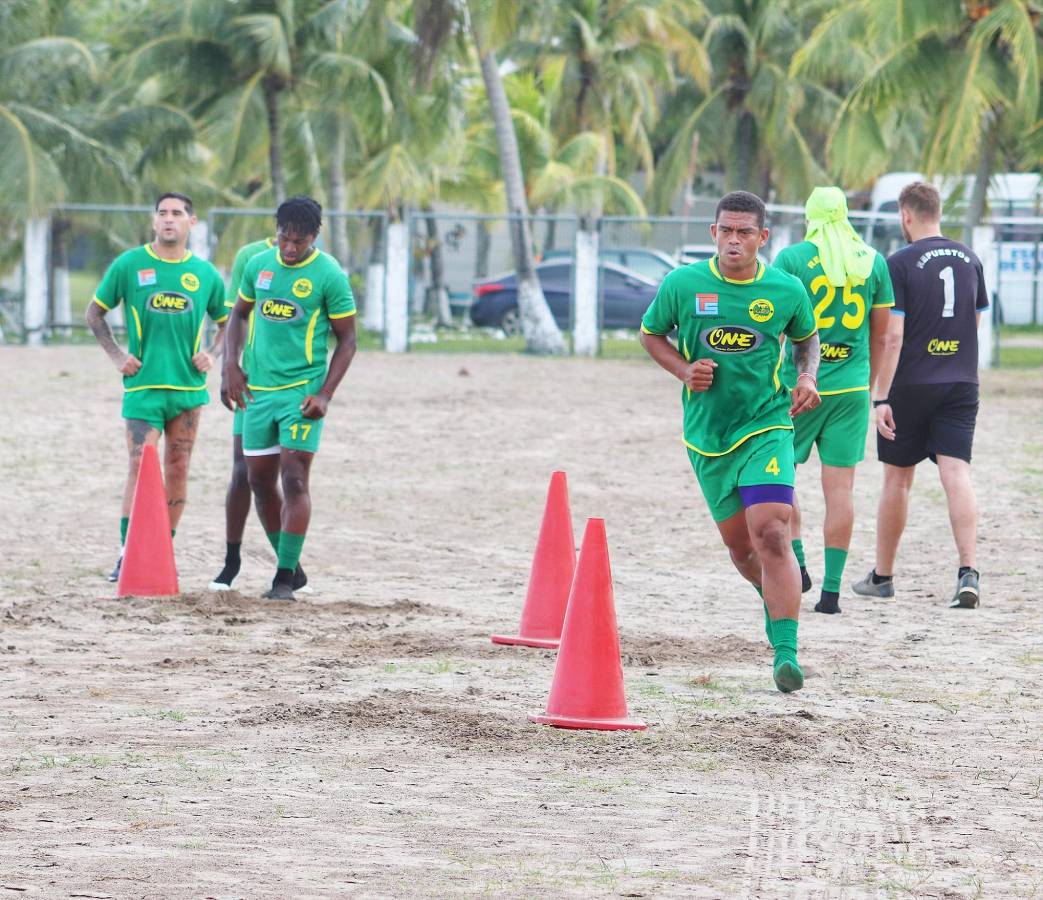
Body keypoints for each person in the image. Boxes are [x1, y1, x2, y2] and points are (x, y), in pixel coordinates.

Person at [639, 191, 820, 693]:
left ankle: (786, 652)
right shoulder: (683, 284)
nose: (733, 240)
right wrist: (684, 370)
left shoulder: (785, 290)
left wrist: (808, 377)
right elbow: (650, 334)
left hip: (766, 424)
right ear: (712, 233)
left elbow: (807, 338)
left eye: (744, 232)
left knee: (772, 532)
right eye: (725, 230)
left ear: (763, 239)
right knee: (743, 552)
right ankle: (776, 610)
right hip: (706, 438)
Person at [852, 181, 989, 609]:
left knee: (897, 478)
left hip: (911, 384)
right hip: (961, 381)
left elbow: (893, 337)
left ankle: (883, 576)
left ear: (905, 216)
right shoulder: (970, 258)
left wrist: (881, 397)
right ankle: (968, 572)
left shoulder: (900, 262)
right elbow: (977, 319)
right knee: (956, 474)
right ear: (938, 212)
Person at [86, 192, 227, 582]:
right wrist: (117, 356)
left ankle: (163, 548)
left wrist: (212, 352)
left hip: (187, 392)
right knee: (139, 467)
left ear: (191, 223)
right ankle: (126, 553)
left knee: (178, 468)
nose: (169, 219)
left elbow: (229, 322)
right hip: (143, 389)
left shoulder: (205, 274)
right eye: (162, 213)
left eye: (177, 213)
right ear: (153, 221)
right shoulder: (130, 265)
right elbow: (94, 313)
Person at [223, 196, 357, 601]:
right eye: (285, 238)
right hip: (258, 391)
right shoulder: (258, 265)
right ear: (276, 232)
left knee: (294, 478)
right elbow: (238, 314)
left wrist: (325, 394)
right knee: (257, 480)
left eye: (300, 240)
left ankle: (282, 578)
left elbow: (348, 340)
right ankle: (294, 569)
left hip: (301, 393)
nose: (290, 247)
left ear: (315, 237)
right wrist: (231, 363)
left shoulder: (329, 274)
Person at [774, 187, 895, 615]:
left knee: (779, 476)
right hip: (850, 388)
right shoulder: (873, 261)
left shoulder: (791, 259)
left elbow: (780, 328)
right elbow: (880, 333)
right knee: (840, 490)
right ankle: (831, 593)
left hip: (800, 385)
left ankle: (800, 562)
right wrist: (868, 381)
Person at [209, 236, 309, 594]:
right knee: (242, 471)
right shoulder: (251, 255)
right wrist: (228, 371)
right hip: (249, 384)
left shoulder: (316, 264)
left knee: (287, 476)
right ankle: (231, 560)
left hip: (286, 388)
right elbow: (236, 315)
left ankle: (289, 567)